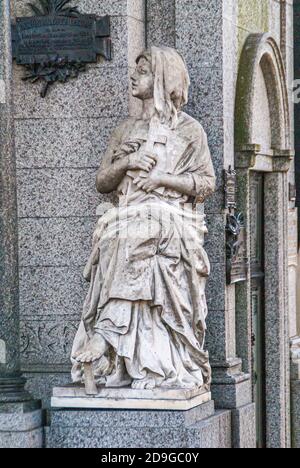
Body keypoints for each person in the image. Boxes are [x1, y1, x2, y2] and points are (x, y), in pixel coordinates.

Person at [71, 46, 216, 390]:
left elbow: (207, 183)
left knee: (139, 233)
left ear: (164, 79)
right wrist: (128, 162)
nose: (134, 76)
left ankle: (107, 339)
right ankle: (127, 355)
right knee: (120, 237)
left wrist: (161, 180)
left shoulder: (190, 130)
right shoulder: (125, 129)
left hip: (174, 218)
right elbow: (102, 182)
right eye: (136, 70)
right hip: (129, 214)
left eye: (144, 71)